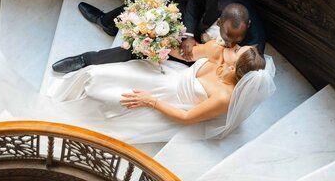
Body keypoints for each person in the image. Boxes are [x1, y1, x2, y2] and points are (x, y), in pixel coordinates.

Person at [43, 41, 275, 144]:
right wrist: (153, 40)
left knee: (109, 99)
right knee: (97, 76)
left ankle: (72, 115)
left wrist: (150, 101)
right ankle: (66, 91)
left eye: (237, 50)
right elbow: (187, 54)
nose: (233, 46)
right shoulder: (218, 54)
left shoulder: (224, 97)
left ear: (235, 68)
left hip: (166, 102)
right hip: (165, 76)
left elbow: (186, 118)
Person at [51, 0, 266, 74]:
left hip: (198, 62)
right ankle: (106, 22)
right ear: (219, 21)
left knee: (139, 47)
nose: (229, 44)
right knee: (144, 4)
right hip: (189, 29)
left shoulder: (255, 43)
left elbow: (238, 70)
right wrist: (189, 35)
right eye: (226, 37)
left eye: (234, 41)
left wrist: (195, 54)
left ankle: (84, 60)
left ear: (248, 26)